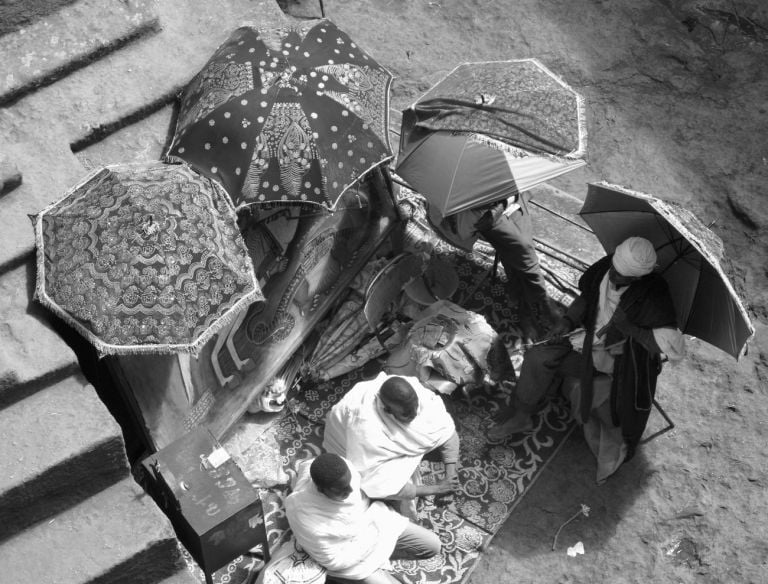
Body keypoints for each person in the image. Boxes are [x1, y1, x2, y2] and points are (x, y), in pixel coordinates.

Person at [488, 237, 686, 479]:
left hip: (616, 358)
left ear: (637, 278)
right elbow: (586, 297)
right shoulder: (609, 266)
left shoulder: (654, 296)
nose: (613, 276)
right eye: (614, 269)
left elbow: (668, 347)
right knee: (541, 350)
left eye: (621, 276)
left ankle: (523, 414)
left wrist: (630, 328)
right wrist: (568, 321)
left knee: (541, 359)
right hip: (585, 334)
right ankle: (525, 410)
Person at [284, 453, 442, 584]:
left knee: (432, 546)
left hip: (373, 522)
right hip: (347, 556)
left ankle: (379, 562)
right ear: (320, 489)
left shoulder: (345, 469)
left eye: (349, 483)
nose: (351, 490)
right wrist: (371, 537)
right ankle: (352, 577)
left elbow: (308, 464)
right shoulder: (303, 514)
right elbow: (334, 561)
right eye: (341, 490)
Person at [323, 373, 460, 511]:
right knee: (388, 486)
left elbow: (447, 430)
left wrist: (450, 476)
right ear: (387, 410)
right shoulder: (364, 427)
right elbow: (375, 485)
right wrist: (437, 489)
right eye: (406, 414)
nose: (414, 414)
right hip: (345, 438)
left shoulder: (416, 392)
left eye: (415, 407)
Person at [429, 194, 556, 341]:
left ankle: (535, 304)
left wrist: (503, 203)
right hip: (477, 205)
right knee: (520, 253)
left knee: (521, 253)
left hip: (509, 196)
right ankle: (533, 305)